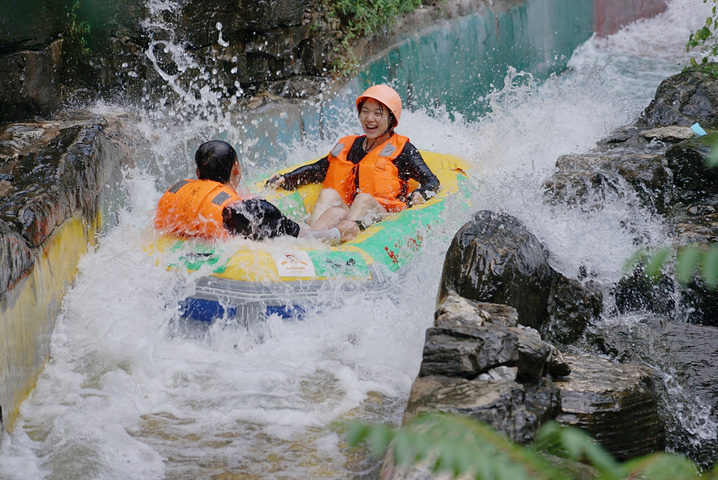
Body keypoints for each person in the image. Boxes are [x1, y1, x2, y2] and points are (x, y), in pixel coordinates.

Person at [265, 84, 440, 231]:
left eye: (378, 113)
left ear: (391, 119)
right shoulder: (350, 145)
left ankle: (346, 244)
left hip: (384, 216)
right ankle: (312, 240)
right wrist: (285, 179)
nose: (370, 119)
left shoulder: (404, 150)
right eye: (365, 111)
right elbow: (317, 170)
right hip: (351, 213)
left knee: (363, 199)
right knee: (328, 194)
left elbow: (431, 181)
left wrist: (421, 193)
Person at [154, 140, 359, 243]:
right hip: (240, 275)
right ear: (236, 169)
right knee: (339, 214)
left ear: (198, 173)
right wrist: (337, 233)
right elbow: (302, 239)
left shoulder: (176, 194)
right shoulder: (248, 210)